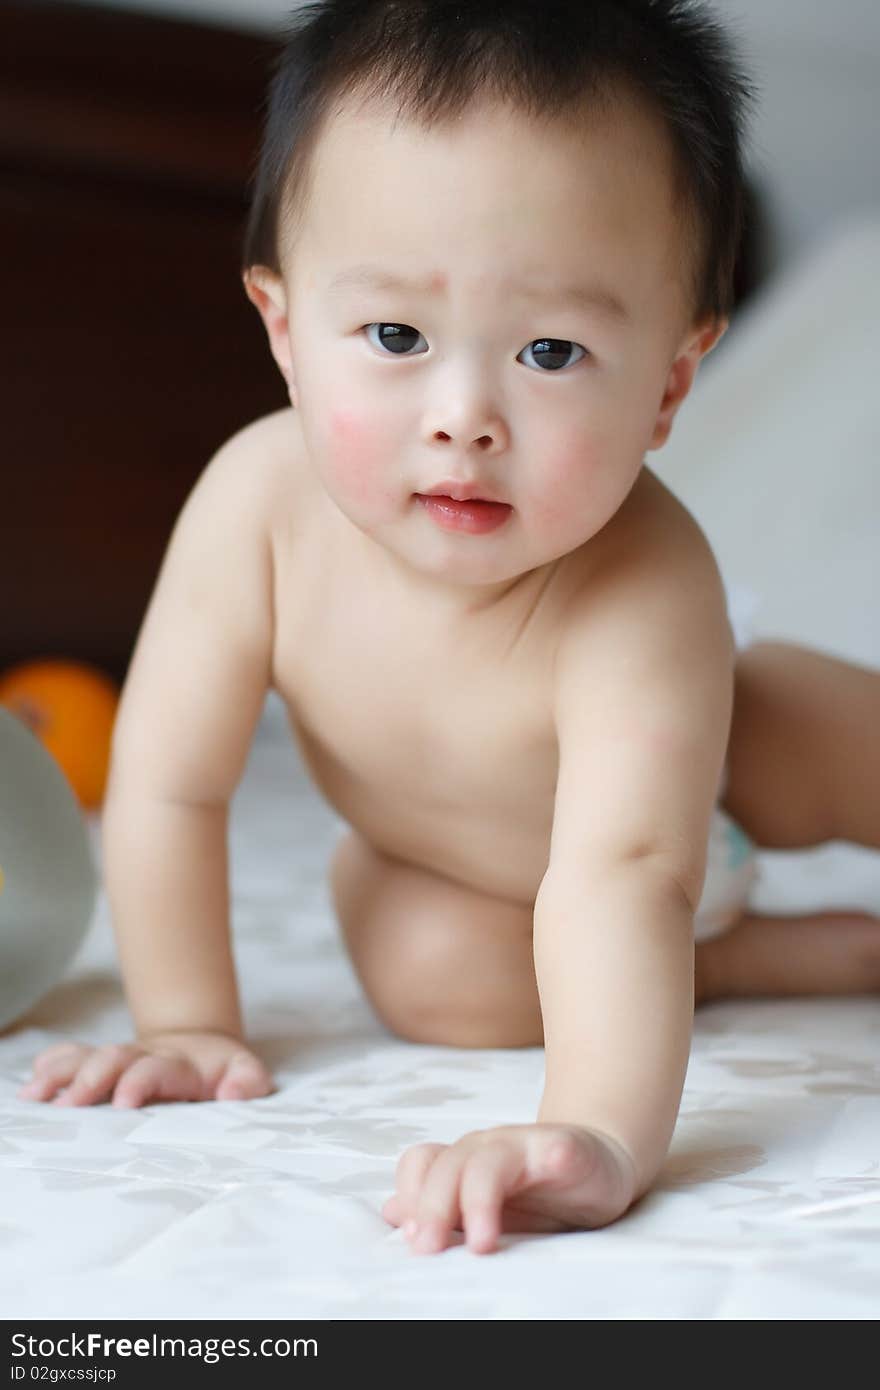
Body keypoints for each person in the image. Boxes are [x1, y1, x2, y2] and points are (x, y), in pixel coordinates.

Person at [18, 0, 880, 1256]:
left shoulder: (645, 580)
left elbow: (626, 870)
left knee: (828, 733)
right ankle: (769, 960)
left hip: (695, 804)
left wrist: (596, 1133)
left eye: (550, 348)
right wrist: (189, 1022)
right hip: (489, 892)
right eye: (396, 336)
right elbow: (168, 784)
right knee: (419, 970)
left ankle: (733, 932)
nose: (464, 414)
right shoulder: (256, 505)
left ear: (671, 382)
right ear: (284, 329)